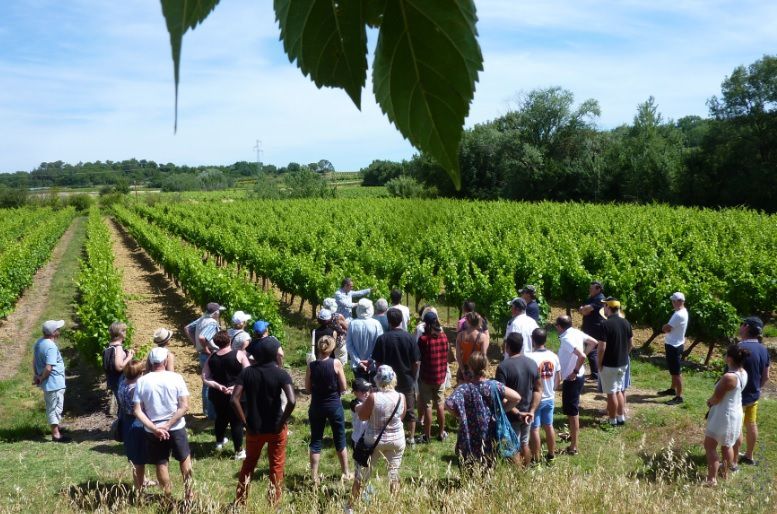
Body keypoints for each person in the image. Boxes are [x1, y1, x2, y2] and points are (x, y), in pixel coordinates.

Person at [233, 337, 296, 507]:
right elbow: (291, 401)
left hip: (254, 428)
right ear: (275, 354)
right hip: (276, 427)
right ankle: (273, 504)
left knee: (249, 464)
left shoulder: (247, 372)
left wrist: (246, 423)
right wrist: (282, 421)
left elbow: (234, 399)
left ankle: (240, 502)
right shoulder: (281, 374)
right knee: (276, 465)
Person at [133, 347, 192, 501]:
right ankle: (189, 495)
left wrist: (155, 428)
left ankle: (167, 496)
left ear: (150, 362)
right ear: (166, 361)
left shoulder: (142, 381)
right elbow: (184, 406)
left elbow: (137, 411)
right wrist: (168, 425)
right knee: (184, 459)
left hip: (153, 430)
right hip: (176, 426)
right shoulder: (176, 378)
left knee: (161, 462)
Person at [446, 352, 521, 466]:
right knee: (490, 461)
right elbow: (516, 398)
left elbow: (448, 404)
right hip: (490, 430)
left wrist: (460, 414)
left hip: (469, 431)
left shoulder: (464, 388)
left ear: (470, 367)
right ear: (486, 366)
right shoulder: (494, 385)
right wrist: (502, 410)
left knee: (470, 463)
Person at [349, 365, 406, 511]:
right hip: (397, 439)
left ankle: (351, 507)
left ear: (377, 381)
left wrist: (358, 406)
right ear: (394, 379)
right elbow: (402, 416)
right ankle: (396, 508)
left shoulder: (374, 397)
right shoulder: (401, 397)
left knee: (362, 475)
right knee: (394, 475)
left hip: (374, 440)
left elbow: (362, 416)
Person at [372, 308, 421, 444]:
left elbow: (378, 362)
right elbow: (416, 361)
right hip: (406, 379)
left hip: (387, 381)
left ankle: (386, 433)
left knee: (386, 408)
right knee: (410, 410)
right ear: (401, 320)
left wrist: (379, 378)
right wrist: (413, 376)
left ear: (388, 321)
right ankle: (410, 437)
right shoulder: (410, 338)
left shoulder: (382, 339)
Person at [305, 335, 350, 484]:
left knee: (316, 439)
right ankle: (345, 472)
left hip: (316, 405)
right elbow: (344, 387)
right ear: (332, 348)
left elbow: (307, 388)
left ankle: (314, 476)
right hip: (334, 405)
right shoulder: (336, 363)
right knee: (340, 438)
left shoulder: (311, 366)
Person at [704, 345, 749, 486]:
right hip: (735, 413)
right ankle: (724, 474)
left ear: (729, 358)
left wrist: (709, 402)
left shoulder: (728, 377)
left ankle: (712, 479)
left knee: (710, 446)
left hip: (724, 415)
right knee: (727, 445)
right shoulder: (743, 373)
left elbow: (717, 398)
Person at [202, 330, 250, 459]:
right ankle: (239, 451)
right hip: (237, 394)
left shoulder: (212, 357)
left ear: (217, 343)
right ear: (229, 341)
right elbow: (248, 373)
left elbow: (205, 377)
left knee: (221, 418)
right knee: (236, 422)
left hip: (218, 394)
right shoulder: (239, 354)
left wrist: (218, 386)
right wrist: (235, 386)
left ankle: (219, 442)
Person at [495, 333, 540, 466]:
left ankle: (518, 476)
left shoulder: (503, 367)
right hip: (527, 414)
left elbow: (501, 395)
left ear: (507, 347)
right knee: (524, 443)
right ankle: (526, 470)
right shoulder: (532, 363)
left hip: (512, 414)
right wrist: (531, 411)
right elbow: (538, 389)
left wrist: (517, 413)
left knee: (512, 447)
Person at [555, 315, 598, 455]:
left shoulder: (567, 339)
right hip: (578, 377)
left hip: (572, 379)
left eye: (556, 326)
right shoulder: (575, 332)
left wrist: (574, 370)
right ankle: (572, 437)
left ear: (560, 327)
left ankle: (574, 446)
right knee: (570, 410)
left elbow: (582, 356)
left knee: (573, 412)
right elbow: (593, 342)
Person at [734, 317, 770, 466]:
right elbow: (766, 376)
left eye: (742, 324)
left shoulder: (739, 348)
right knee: (751, 424)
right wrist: (756, 388)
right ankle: (749, 456)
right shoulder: (763, 349)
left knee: (737, 427)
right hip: (754, 396)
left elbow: (730, 375)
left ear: (747, 327)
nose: (740, 327)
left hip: (739, 397)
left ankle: (733, 461)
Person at [185, 302, 224, 419]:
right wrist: (206, 348)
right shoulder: (212, 323)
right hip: (210, 354)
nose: (220, 313)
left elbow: (187, 328)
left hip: (202, 354)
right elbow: (203, 337)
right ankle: (212, 415)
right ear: (215, 313)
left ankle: (206, 411)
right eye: (219, 311)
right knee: (211, 383)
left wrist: (196, 344)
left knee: (206, 382)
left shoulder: (202, 319)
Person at [526, 329, 561, 462]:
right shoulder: (553, 356)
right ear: (545, 340)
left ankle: (536, 457)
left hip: (535, 397)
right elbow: (559, 377)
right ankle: (551, 455)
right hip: (549, 397)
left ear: (532, 340)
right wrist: (552, 388)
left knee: (535, 429)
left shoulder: (530, 358)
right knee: (549, 425)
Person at [117, 359, 151, 492]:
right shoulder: (136, 389)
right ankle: (139, 488)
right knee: (139, 458)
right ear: (140, 373)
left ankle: (142, 481)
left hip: (126, 420)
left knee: (133, 455)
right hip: (136, 422)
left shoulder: (122, 384)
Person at [597, 298, 632, 426]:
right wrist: (624, 355)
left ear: (607, 307)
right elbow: (631, 344)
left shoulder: (605, 324)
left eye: (604, 306)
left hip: (609, 364)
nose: (603, 309)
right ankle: (621, 417)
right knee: (619, 390)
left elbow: (602, 347)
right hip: (623, 363)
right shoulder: (626, 322)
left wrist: (599, 363)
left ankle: (612, 421)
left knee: (611, 393)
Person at [33, 320, 69, 443]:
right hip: (54, 382)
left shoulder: (39, 343)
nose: (59, 330)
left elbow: (34, 360)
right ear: (54, 333)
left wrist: (36, 375)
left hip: (49, 382)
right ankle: (56, 435)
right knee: (54, 408)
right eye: (58, 329)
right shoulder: (51, 346)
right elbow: (49, 367)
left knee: (52, 405)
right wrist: (41, 377)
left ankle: (56, 427)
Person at [417, 311, 449, 442]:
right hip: (440, 377)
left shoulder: (423, 340)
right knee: (440, 404)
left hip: (426, 377)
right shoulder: (444, 337)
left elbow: (419, 357)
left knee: (428, 406)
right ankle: (441, 433)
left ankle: (427, 435)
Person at [658, 292, 689, 405]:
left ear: (679, 301)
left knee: (676, 372)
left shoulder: (678, 315)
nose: (672, 303)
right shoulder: (683, 312)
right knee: (673, 370)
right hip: (677, 343)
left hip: (673, 345)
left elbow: (666, 328)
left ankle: (679, 397)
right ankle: (672, 389)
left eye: (673, 301)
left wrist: (663, 327)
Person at [345, 298, 383, 380]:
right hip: (373, 364)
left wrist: (358, 361)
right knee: (373, 389)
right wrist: (370, 360)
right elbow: (379, 345)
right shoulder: (376, 324)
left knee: (361, 390)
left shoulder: (352, 324)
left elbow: (349, 345)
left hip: (357, 365)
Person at [579, 281, 606, 381]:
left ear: (598, 289)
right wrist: (583, 309)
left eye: (592, 288)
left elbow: (586, 310)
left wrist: (584, 309)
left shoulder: (600, 299)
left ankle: (595, 375)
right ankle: (596, 373)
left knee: (592, 350)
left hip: (595, 328)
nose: (589, 290)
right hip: (589, 327)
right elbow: (583, 310)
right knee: (591, 349)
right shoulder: (592, 297)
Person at [103, 321, 134, 406]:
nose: (126, 333)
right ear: (121, 333)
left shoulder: (109, 347)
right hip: (120, 382)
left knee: (120, 404)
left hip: (113, 381)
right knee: (124, 406)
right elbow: (119, 366)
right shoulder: (118, 347)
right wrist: (129, 357)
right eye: (125, 331)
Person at [456, 311, 489, 382]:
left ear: (467, 322)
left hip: (464, 368)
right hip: (476, 371)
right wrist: (484, 372)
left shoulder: (460, 335)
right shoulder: (483, 337)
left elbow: (458, 356)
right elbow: (483, 356)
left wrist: (463, 371)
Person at [349, 378, 371, 447]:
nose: (367, 393)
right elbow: (360, 408)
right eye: (363, 391)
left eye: (368, 389)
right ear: (355, 393)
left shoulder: (371, 401)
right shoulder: (354, 403)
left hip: (371, 437)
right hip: (358, 439)